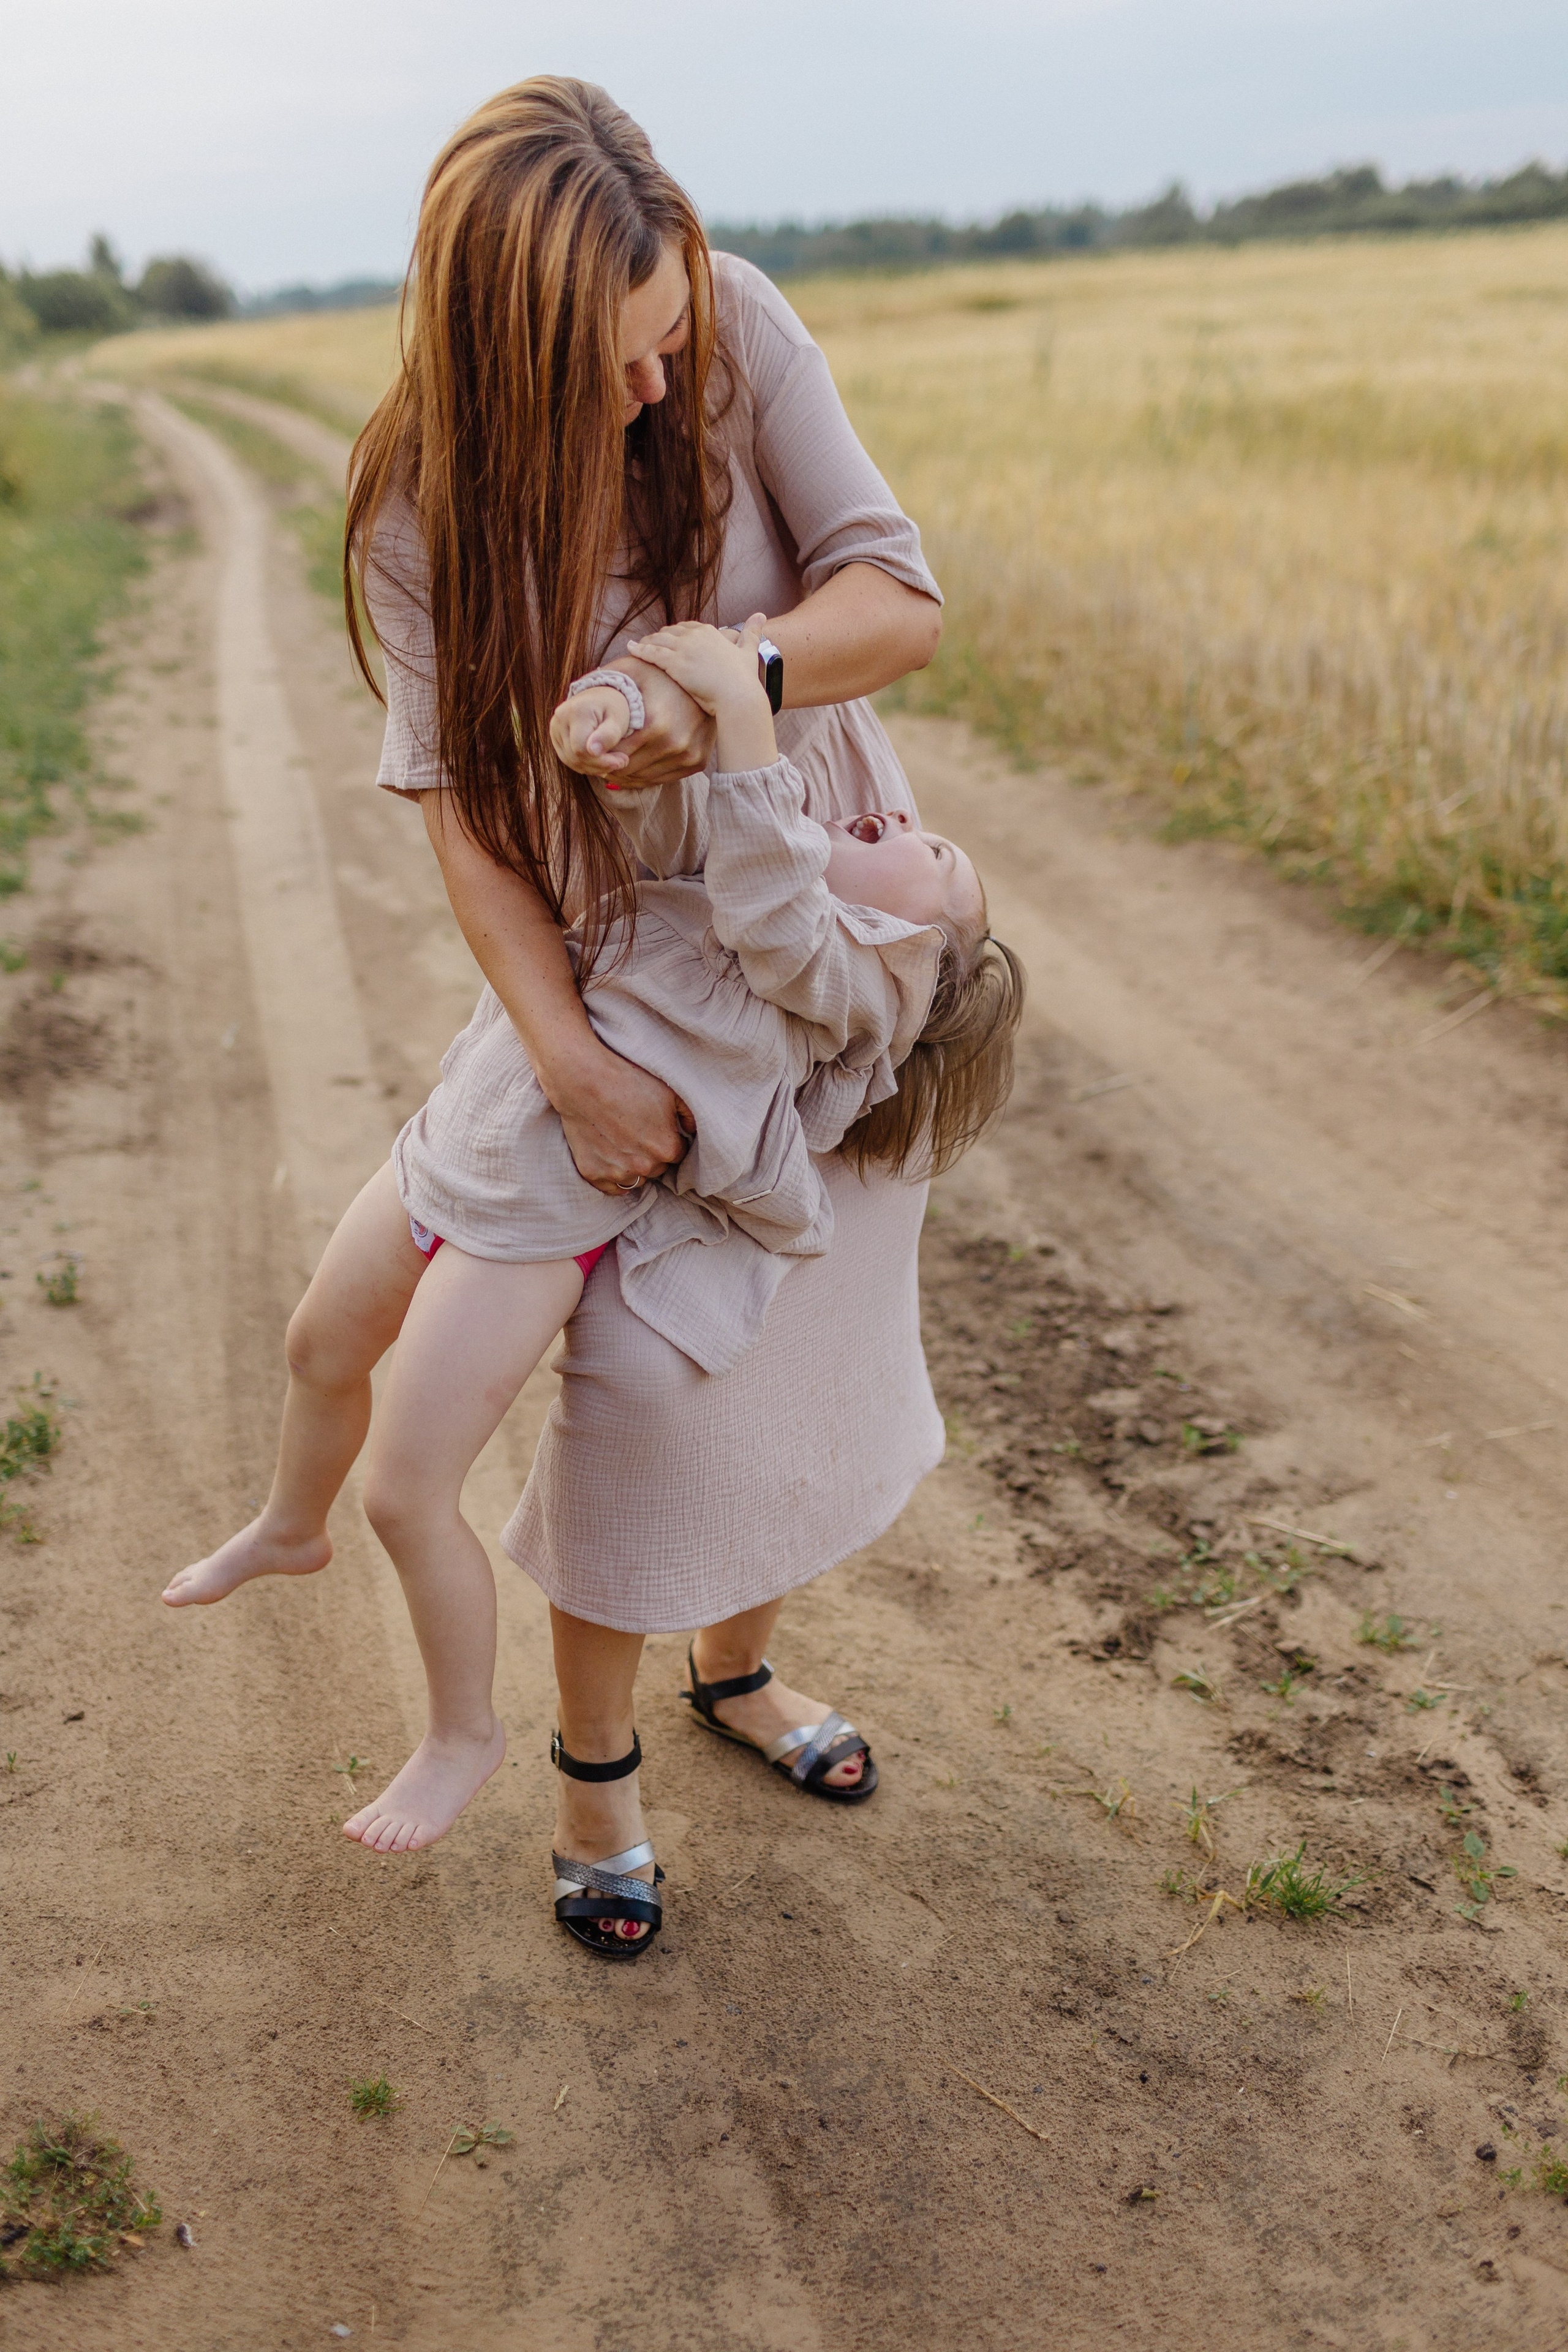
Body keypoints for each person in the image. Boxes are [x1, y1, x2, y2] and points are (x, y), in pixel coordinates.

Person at [165, 77, 960, 1954]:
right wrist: (574, 1064)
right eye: (618, 365)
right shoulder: (418, 511)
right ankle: (590, 1778)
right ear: (503, 358)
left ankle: (738, 1672)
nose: (663, 395)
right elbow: (460, 813)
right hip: (632, 988)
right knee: (641, 1384)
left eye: (675, 342)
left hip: (813, 912)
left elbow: (898, 600)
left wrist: (733, 678)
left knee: (801, 1360)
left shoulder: (730, 323)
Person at [165, 616, 1023, 1958]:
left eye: (935, 855)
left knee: (409, 1484)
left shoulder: (845, 981)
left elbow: (772, 893)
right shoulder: (821, 912)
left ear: (910, 955)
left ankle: (468, 1733)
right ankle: (286, 1520)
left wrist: (741, 708)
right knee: (317, 1346)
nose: (904, 814)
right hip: (462, 1132)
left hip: (537, 1213)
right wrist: (592, 724)